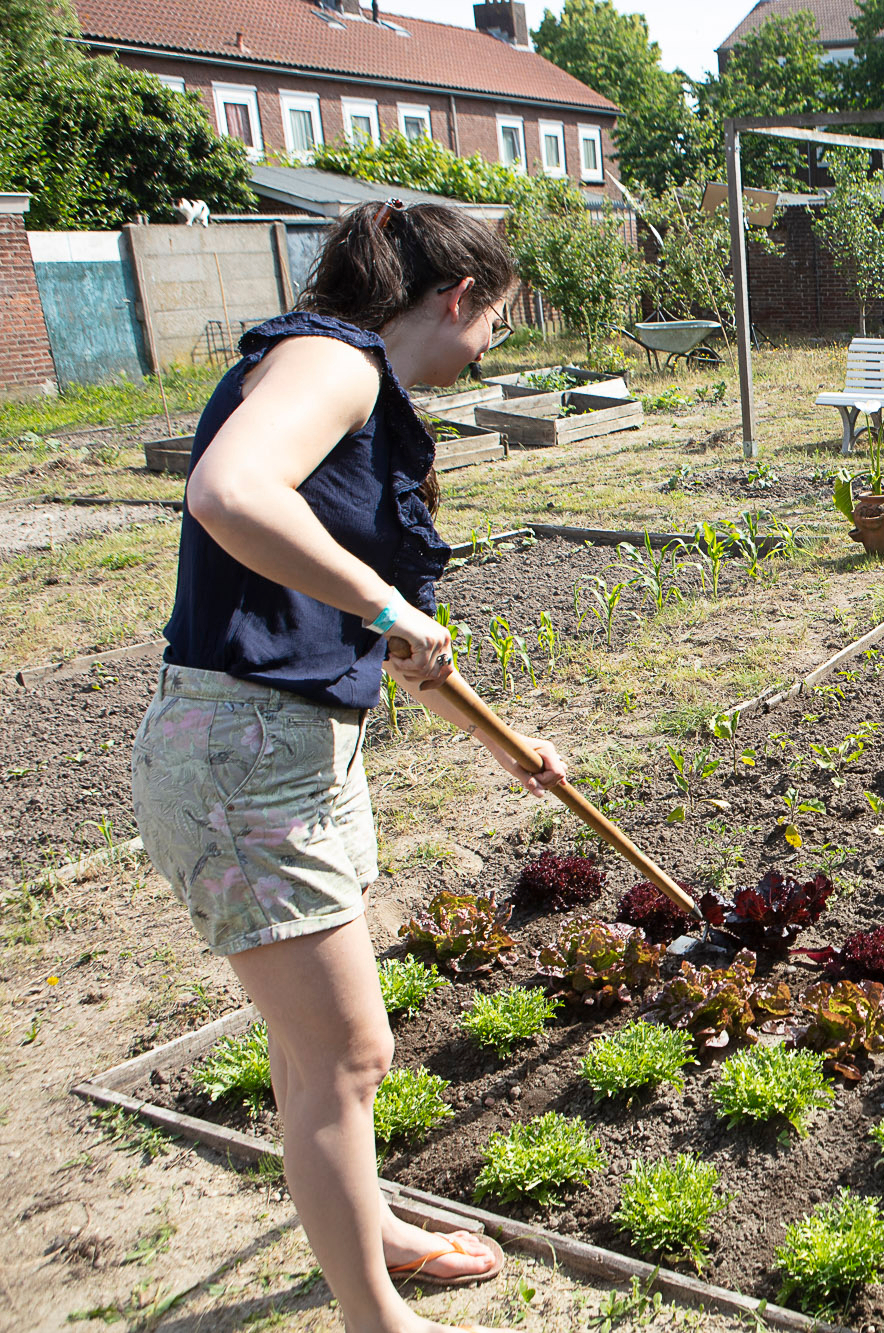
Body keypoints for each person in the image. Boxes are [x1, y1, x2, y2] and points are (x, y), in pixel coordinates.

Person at [131, 200, 564, 1333]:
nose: (488, 350)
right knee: (349, 1053)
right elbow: (228, 493)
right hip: (244, 758)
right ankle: (376, 1320)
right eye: (495, 323)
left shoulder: (346, 380)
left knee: (311, 1048)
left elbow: (383, 645)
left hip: (283, 749)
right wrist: (382, 601)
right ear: (457, 298)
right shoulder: (333, 361)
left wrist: (512, 750)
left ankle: (367, 1227)